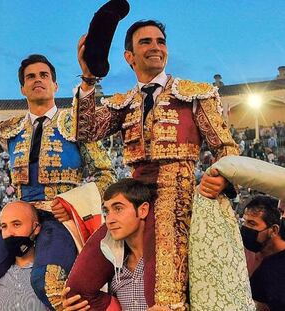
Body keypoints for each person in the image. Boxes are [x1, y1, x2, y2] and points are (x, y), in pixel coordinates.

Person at [70, 19, 238, 308]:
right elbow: (85, 132)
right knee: (77, 288)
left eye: (160, 41)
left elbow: (226, 148)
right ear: (129, 57)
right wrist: (88, 80)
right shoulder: (124, 102)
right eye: (145, 42)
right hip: (132, 195)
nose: (156, 47)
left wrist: (222, 176)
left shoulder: (195, 94)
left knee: (165, 297)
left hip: (178, 195)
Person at [0, 54, 115, 310]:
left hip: (61, 221)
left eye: (43, 75)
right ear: (22, 88)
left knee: (47, 282)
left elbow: (107, 176)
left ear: (55, 85)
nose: (38, 80)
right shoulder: (10, 129)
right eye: (31, 77)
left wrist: (72, 203)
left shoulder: (76, 124)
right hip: (19, 221)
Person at [62, 179, 171, 311]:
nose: (109, 220)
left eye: (118, 209)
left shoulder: (165, 261)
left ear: (143, 210)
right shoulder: (115, 268)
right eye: (106, 211)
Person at [241, 195, 285, 311]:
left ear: (274, 230)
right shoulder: (248, 255)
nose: (245, 228)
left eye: (252, 223)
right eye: (244, 221)